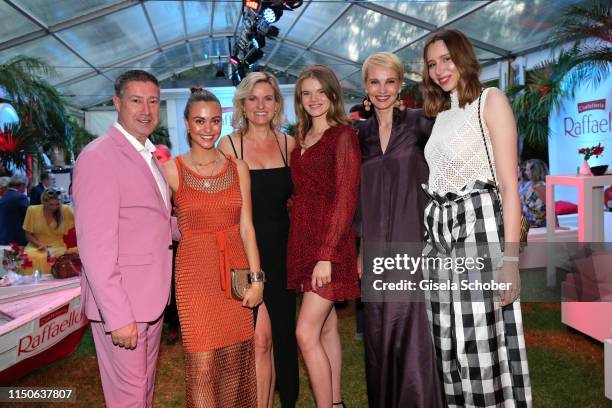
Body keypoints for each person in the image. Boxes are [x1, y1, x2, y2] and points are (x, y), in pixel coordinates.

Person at [422, 29, 531, 407]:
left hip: (478, 229)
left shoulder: (491, 100)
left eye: (446, 59)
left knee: (480, 344)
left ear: (463, 57)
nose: (439, 70)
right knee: (447, 343)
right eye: (432, 64)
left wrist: (511, 260)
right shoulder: (441, 113)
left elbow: (508, 186)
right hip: (439, 240)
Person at [73, 70, 175, 407]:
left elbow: (150, 221)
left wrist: (198, 223)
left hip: (149, 299)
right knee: (128, 399)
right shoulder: (99, 157)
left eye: (153, 101)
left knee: (142, 392)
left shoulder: (146, 154)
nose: (146, 109)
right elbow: (95, 247)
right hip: (124, 308)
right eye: (136, 100)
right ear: (117, 103)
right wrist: (117, 316)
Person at [163, 87, 263, 407]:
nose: (208, 129)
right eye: (200, 121)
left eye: (215, 121)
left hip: (235, 270)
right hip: (194, 274)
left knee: (235, 362)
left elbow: (247, 227)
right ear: (187, 124)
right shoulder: (171, 171)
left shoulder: (238, 168)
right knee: (203, 365)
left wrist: (257, 279)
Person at [356, 51, 443, 408]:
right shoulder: (359, 135)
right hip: (375, 246)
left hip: (415, 243)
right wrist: (360, 252)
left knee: (414, 333)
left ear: (400, 84)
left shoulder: (422, 123)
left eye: (389, 81)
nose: (382, 89)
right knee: (378, 334)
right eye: (374, 82)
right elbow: (354, 196)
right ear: (365, 86)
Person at [218, 72, 299, 408]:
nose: (260, 105)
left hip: (283, 254)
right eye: (253, 98)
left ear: (277, 103)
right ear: (242, 104)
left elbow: (299, 202)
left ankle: (287, 400)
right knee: (258, 340)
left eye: (268, 98)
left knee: (282, 337)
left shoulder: (288, 145)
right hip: (246, 252)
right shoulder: (229, 145)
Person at [286, 64, 360, 408]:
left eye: (320, 92)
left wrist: (327, 253)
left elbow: (346, 198)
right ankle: (336, 402)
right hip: (304, 242)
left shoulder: (342, 136)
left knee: (305, 332)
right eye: (306, 93)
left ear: (332, 95)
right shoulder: (301, 138)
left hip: (329, 248)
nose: (314, 99)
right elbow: (305, 190)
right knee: (326, 327)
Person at [23, 187, 75, 274]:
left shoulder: (65, 210)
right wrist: (40, 244)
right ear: (44, 202)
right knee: (32, 256)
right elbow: (28, 235)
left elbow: (80, 224)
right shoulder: (32, 210)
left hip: (57, 245)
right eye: (51, 204)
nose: (54, 207)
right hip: (36, 245)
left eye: (57, 204)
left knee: (54, 256)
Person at [0, 173, 29, 246]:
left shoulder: (4, 196)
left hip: (4, 237)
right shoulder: (20, 197)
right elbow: (29, 216)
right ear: (22, 185)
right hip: (17, 240)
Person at [521, 158, 548, 227]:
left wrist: (556, 227)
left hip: (535, 223)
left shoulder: (540, 186)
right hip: (528, 222)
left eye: (527, 170)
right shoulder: (531, 185)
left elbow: (550, 207)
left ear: (534, 172)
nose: (525, 172)